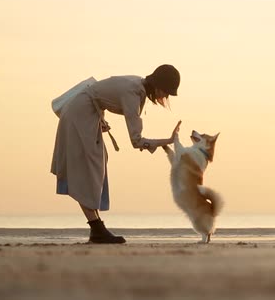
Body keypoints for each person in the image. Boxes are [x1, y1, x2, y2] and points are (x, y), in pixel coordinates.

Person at [51, 64, 181, 244]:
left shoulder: (137, 86)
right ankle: (97, 228)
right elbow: (136, 140)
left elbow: (101, 93)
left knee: (96, 164)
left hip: (86, 112)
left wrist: (101, 118)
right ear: (158, 87)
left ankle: (97, 228)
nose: (165, 97)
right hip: (80, 114)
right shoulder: (134, 93)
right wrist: (167, 141)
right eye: (166, 93)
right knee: (86, 168)